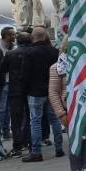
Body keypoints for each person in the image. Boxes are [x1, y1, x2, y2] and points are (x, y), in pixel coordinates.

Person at [48, 38, 86, 171]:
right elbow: (53, 92)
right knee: (75, 139)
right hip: (70, 108)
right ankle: (75, 170)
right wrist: (61, 113)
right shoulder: (57, 67)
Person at [22, 28, 63, 162]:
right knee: (55, 119)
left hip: (35, 92)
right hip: (52, 90)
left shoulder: (29, 53)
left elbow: (25, 74)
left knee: (35, 121)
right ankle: (59, 148)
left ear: (32, 37)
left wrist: (25, 90)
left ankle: (36, 152)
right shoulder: (54, 52)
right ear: (45, 37)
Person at [1, 32, 30, 158]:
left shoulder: (10, 54)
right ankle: (28, 142)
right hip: (30, 89)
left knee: (16, 119)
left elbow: (3, 69)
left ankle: (17, 146)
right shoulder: (32, 53)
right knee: (30, 117)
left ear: (17, 41)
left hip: (15, 89)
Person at [0, 27, 15, 140]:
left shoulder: (13, 47)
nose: (14, 37)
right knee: (2, 108)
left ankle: (6, 131)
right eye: (12, 35)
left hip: (12, 81)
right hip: (3, 82)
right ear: (6, 36)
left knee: (9, 108)